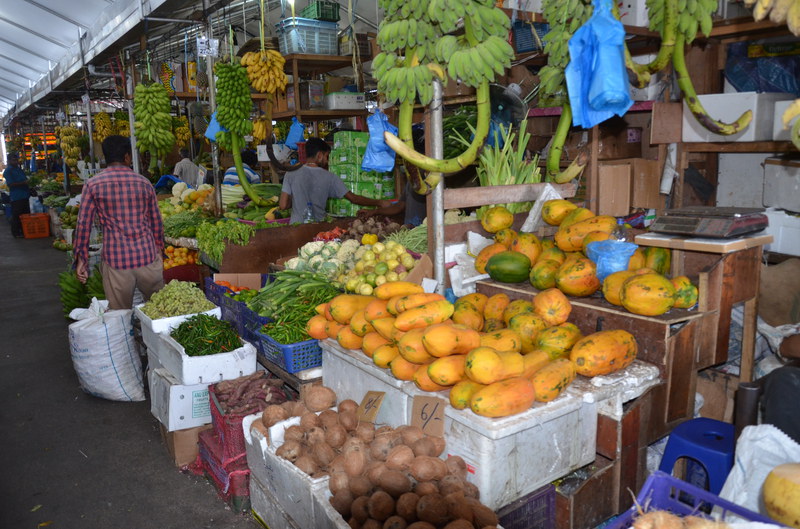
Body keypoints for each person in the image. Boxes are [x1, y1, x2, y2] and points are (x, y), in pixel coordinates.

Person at [73, 135, 164, 310]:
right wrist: (159, 250)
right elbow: (156, 222)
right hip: (147, 256)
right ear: (127, 156)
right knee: (159, 311)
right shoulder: (144, 183)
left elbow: (83, 225)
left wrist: (81, 259)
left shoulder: (93, 184)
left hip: (116, 261)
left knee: (120, 316)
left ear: (105, 157)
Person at [279, 137, 392, 224]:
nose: (327, 161)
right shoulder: (330, 177)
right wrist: (379, 202)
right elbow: (354, 198)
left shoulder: (290, 173)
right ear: (319, 155)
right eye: (326, 156)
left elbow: (283, 205)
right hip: (317, 227)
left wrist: (298, 198)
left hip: (295, 227)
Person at [3, 152, 31, 238]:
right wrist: (23, 183)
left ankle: (24, 231)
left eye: (16, 160)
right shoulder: (8, 171)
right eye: (13, 160)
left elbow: (24, 179)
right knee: (17, 215)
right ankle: (16, 233)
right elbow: (10, 184)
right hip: (17, 196)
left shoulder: (18, 169)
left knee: (25, 214)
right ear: (9, 161)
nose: (16, 161)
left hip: (25, 195)